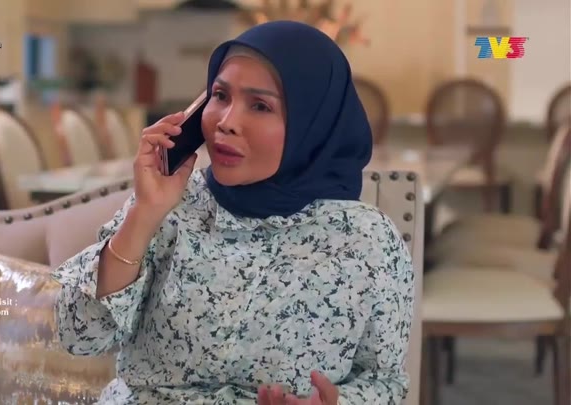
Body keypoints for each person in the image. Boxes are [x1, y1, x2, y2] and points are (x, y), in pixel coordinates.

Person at [52, 20, 414, 405]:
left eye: (260, 106)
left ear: (312, 124)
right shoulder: (172, 205)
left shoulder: (367, 240)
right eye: (220, 95)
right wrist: (144, 214)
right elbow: (78, 336)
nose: (225, 123)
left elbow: (385, 382)